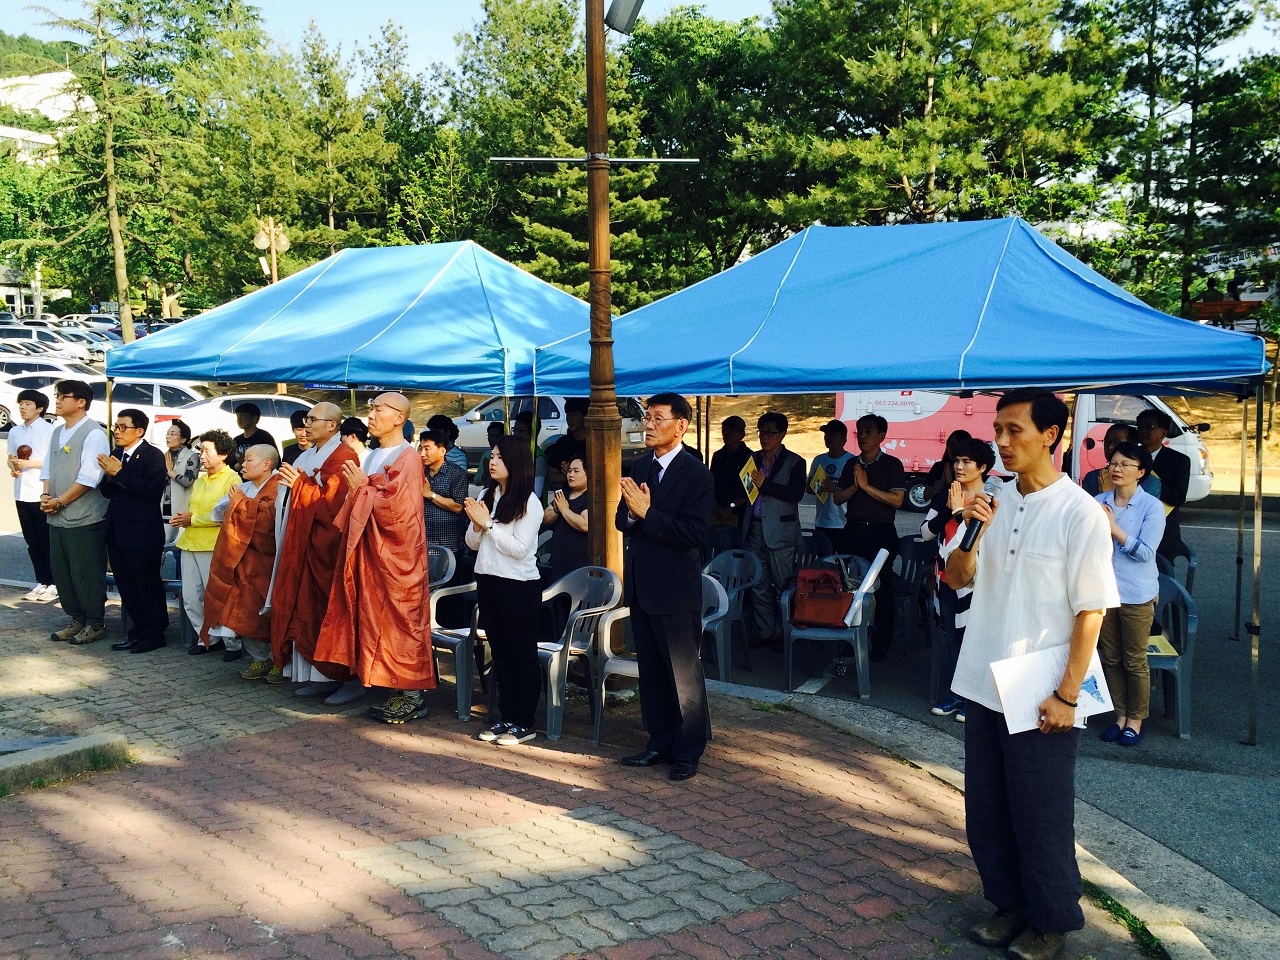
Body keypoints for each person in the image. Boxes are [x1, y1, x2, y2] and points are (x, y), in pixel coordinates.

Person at [945, 388, 1118, 960]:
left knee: (1040, 811)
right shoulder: (992, 501)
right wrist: (970, 531)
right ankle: (1008, 905)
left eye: (1014, 430)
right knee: (987, 808)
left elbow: (1090, 611)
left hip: (1043, 685)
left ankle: (1051, 922)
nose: (1001, 441)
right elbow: (956, 578)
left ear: (1052, 435)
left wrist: (1068, 693)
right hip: (984, 676)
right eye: (998, 429)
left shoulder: (1080, 513)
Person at [316, 393, 436, 720]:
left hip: (398, 557)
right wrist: (361, 489)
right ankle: (381, 682)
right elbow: (363, 499)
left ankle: (412, 692)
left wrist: (361, 489)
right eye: (370, 408)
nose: (371, 414)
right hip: (370, 553)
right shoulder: (370, 456)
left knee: (402, 621)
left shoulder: (408, 458)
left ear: (399, 417)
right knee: (371, 618)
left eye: (378, 409)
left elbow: (398, 511)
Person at [616, 393, 714, 782]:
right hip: (642, 585)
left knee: (683, 675)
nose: (649, 425)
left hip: (676, 590)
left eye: (658, 418)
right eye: (647, 418)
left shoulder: (697, 474)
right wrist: (634, 515)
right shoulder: (640, 464)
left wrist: (648, 513)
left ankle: (687, 751)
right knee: (653, 671)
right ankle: (658, 741)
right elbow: (624, 520)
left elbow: (694, 534)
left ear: (681, 425)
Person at [267, 401, 360, 698]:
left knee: (327, 610)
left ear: (332, 425)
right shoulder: (308, 454)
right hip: (303, 543)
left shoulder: (344, 456)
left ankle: (344, 678)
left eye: (312, 419)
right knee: (305, 608)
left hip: (327, 547)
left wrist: (302, 486)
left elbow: (333, 506)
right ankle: (317, 677)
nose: (306, 424)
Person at [465, 435, 544, 746]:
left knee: (521, 655)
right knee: (500, 653)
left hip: (519, 587)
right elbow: (472, 544)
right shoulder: (488, 493)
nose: (492, 461)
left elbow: (520, 549)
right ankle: (507, 717)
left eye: (499, 456)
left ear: (516, 462)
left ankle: (525, 721)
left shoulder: (529, 502)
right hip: (488, 581)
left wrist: (487, 525)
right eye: (492, 455)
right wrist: (475, 525)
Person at [1094, 441, 1165, 748]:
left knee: (1134, 659)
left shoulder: (1151, 507)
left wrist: (1113, 528)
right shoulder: (1098, 501)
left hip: (1136, 593)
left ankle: (1136, 720)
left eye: (1125, 464)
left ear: (1142, 472)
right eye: (1113, 463)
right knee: (1110, 657)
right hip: (1105, 590)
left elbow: (1146, 554)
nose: (1117, 468)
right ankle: (1119, 715)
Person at [920, 437, 995, 722]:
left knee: (975, 638)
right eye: (956, 461)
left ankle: (974, 698)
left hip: (978, 580)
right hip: (945, 577)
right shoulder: (947, 494)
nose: (959, 467)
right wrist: (952, 511)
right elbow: (926, 532)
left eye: (967, 462)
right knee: (952, 639)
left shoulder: (990, 500)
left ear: (983, 467)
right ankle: (956, 692)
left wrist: (960, 513)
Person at [200, 444, 283, 680]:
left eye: (248, 460)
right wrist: (237, 503)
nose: (242, 465)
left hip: (269, 560)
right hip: (242, 560)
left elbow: (269, 522)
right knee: (243, 610)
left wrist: (240, 504)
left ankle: (280, 661)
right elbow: (218, 513)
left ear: (267, 464)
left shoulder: (279, 485)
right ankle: (260, 659)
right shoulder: (244, 487)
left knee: (270, 610)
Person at [40, 380, 110, 646]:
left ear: (81, 402)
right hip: (57, 515)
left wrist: (60, 501)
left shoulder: (94, 433)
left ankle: (95, 622)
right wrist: (46, 497)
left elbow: (89, 477)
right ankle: (76, 618)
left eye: (62, 396)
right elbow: (48, 469)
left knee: (86, 572)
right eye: (56, 396)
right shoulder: (57, 431)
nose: (57, 401)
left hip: (84, 517)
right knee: (62, 571)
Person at [832, 413, 907, 660]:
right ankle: (847, 636)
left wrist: (867, 488)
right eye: (859, 431)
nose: (862, 436)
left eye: (868, 431)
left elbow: (897, 500)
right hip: (853, 530)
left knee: (881, 588)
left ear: (881, 436)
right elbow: (837, 498)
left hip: (881, 532)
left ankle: (881, 643)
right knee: (848, 586)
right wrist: (855, 486)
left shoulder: (892, 464)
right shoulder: (851, 464)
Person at [98, 408, 169, 654]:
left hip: (142, 532)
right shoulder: (117, 453)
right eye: (115, 427)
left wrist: (119, 473)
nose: (117, 432)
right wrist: (109, 476)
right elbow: (106, 492)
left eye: (122, 427)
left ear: (139, 431)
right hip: (117, 530)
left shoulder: (153, 455)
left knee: (146, 583)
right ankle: (137, 631)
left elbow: (150, 492)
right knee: (126, 585)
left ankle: (154, 633)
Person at [173, 430, 241, 659]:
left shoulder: (232, 479)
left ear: (223, 455)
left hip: (213, 545)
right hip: (190, 542)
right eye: (201, 450)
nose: (201, 455)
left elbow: (224, 515)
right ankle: (207, 639)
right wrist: (186, 517)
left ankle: (231, 643)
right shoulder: (201, 480)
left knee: (218, 596)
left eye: (206, 451)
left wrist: (192, 519)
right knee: (191, 596)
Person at [741, 412, 806, 648]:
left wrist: (765, 485)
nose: (764, 437)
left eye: (770, 433)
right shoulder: (753, 458)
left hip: (780, 531)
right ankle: (765, 631)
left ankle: (783, 633)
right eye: (761, 432)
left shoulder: (796, 462)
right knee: (758, 584)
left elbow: (796, 494)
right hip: (755, 528)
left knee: (783, 586)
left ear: (782, 434)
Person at [8, 388, 56, 601]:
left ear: (40, 408)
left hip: (41, 491)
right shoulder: (15, 432)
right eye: (21, 404)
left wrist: (29, 463)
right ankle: (41, 580)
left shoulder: (49, 431)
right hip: (21, 491)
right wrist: (15, 466)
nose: (22, 407)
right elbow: (11, 456)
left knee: (46, 540)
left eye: (27, 403)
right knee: (32, 541)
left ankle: (54, 583)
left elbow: (52, 462)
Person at [1135, 409, 1191, 561]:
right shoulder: (1128, 456)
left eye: (1149, 427)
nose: (1143, 431)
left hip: (1163, 535)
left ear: (1163, 432)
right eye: (1140, 427)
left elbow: (1177, 497)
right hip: (1130, 530)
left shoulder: (1179, 460)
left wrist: (1149, 478)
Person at [420, 428, 469, 554]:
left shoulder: (456, 474)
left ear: (442, 451)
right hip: (422, 543)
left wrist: (431, 495)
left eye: (427, 449)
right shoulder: (418, 472)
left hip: (449, 544)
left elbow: (458, 507)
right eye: (420, 448)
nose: (422, 454)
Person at [1080, 423, 1160, 499]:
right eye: (1107, 442)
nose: (1110, 447)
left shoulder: (1150, 483)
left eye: (1116, 442)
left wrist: (1109, 493)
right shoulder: (1093, 477)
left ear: (1133, 445)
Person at [542, 455, 589, 582]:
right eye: (569, 471)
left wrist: (565, 510)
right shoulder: (565, 493)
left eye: (576, 471)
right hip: (559, 562)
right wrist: (557, 510)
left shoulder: (589, 497)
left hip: (579, 564)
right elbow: (545, 517)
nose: (571, 475)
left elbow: (585, 525)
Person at [810, 419, 854, 554]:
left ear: (844, 438)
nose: (828, 438)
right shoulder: (819, 460)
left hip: (844, 523)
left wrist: (834, 487)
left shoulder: (852, 461)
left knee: (843, 563)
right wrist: (818, 486)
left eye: (833, 435)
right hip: (822, 522)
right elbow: (808, 489)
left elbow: (857, 490)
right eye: (826, 435)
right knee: (823, 563)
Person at [708, 416, 752, 526]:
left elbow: (749, 489)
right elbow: (711, 482)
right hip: (717, 510)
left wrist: (731, 506)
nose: (726, 434)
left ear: (742, 434)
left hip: (740, 512)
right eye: (724, 430)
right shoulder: (718, 455)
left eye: (731, 430)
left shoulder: (749, 457)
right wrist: (715, 505)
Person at [162, 420, 200, 544]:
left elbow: (188, 481)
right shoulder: (163, 455)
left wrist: (170, 471)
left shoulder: (191, 456)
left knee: (178, 547)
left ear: (183, 439)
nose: (168, 436)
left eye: (173, 434)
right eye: (167, 433)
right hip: (163, 506)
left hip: (181, 508)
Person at [544, 397, 588, 490]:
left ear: (585, 417)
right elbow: (552, 476)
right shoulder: (563, 443)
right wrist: (569, 474)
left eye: (574, 415)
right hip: (568, 495)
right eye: (568, 415)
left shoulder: (594, 443)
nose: (570, 419)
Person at [922, 429, 972, 503]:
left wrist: (950, 484)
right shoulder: (938, 467)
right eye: (951, 444)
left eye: (958, 445)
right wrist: (941, 484)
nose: (953, 449)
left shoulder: (970, 470)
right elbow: (926, 496)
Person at [513, 411, 547, 499]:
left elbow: (536, 493)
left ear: (534, 432)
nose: (516, 433)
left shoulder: (538, 458)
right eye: (515, 430)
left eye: (521, 431)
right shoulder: (513, 452)